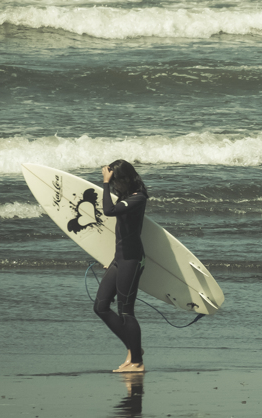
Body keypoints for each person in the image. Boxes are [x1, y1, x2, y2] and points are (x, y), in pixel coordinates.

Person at [94, 159, 149, 373]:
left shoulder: (138, 199)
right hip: (120, 259)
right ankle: (134, 349)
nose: (114, 185)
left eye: (116, 181)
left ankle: (137, 362)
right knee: (100, 306)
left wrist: (105, 184)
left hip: (132, 259)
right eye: (112, 182)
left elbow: (108, 210)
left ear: (125, 179)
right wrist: (112, 259)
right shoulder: (127, 198)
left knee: (126, 311)